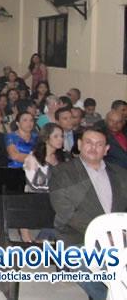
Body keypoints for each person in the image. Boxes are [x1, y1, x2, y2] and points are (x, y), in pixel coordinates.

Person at [49, 127, 127, 300]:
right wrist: (104, 235)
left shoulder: (121, 175)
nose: (93, 148)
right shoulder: (62, 172)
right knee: (86, 267)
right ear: (79, 144)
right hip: (78, 237)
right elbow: (66, 211)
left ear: (107, 149)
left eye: (99, 144)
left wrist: (120, 233)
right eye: (89, 143)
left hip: (121, 238)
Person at [24, 123, 64, 193]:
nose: (60, 139)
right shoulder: (33, 158)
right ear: (46, 138)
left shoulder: (61, 156)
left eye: (62, 136)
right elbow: (32, 186)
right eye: (56, 136)